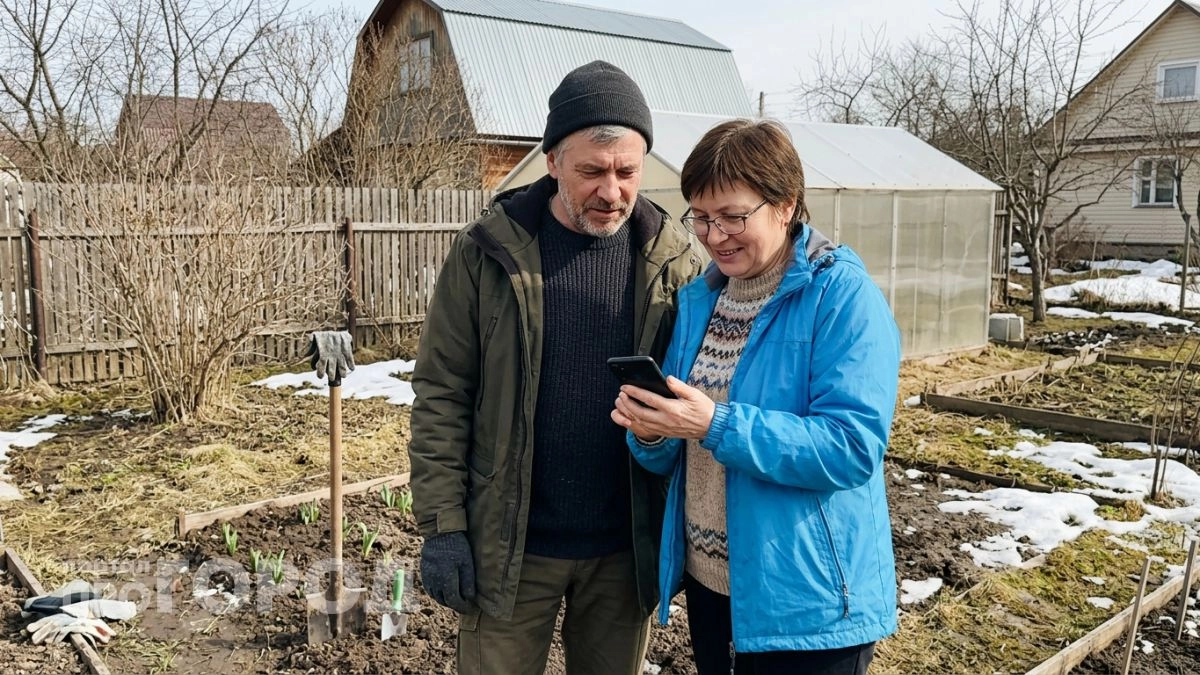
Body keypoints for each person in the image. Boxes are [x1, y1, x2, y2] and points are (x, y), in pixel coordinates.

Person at [408, 60, 703, 675]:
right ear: (551, 162)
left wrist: (678, 537)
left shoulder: (672, 261)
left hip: (623, 552)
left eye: (627, 171)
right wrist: (442, 527)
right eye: (591, 171)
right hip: (511, 549)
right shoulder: (485, 254)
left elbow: (695, 399)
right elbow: (442, 392)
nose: (612, 190)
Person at [611, 118, 902, 675]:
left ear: (787, 205)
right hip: (712, 583)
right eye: (701, 217)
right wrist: (649, 430)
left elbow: (851, 446)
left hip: (805, 598)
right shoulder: (702, 302)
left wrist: (716, 424)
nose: (715, 235)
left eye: (733, 217)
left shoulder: (841, 297)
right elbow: (674, 444)